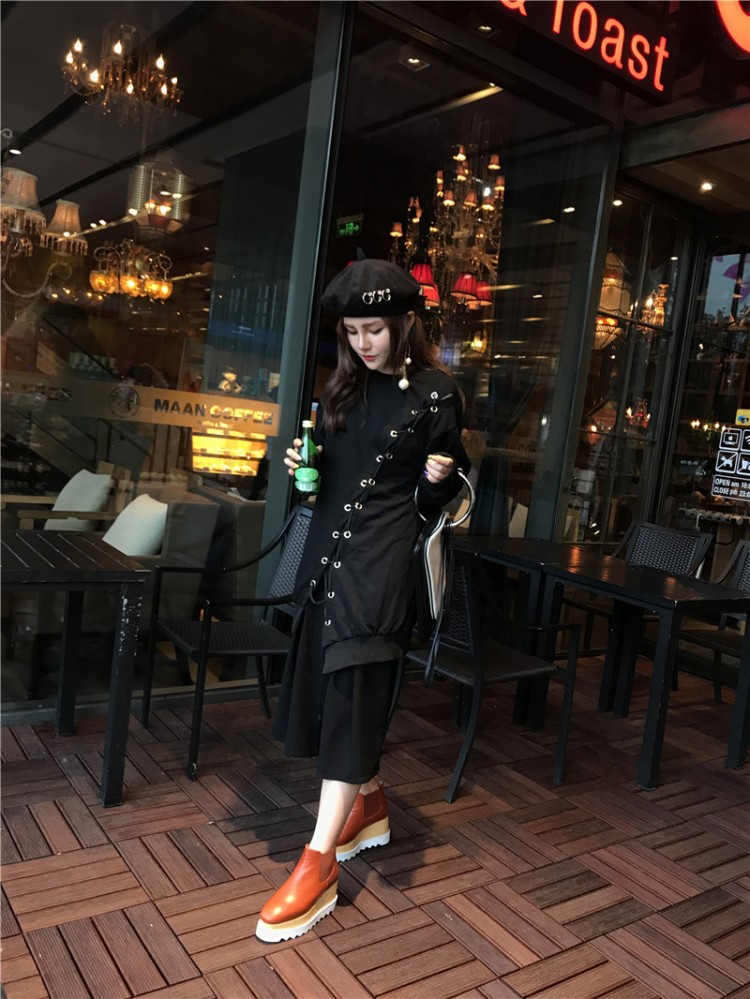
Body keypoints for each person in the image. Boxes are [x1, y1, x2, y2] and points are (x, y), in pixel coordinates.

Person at [255, 253, 470, 943]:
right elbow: (327, 484)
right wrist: (305, 471)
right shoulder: (340, 390)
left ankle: (317, 863)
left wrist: (438, 480)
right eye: (352, 332)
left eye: (374, 328)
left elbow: (439, 502)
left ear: (405, 323)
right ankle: (368, 802)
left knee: (352, 696)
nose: (364, 342)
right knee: (332, 693)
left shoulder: (436, 394)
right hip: (327, 562)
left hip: (382, 566)